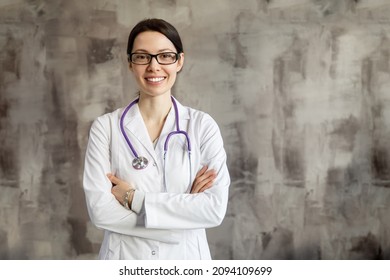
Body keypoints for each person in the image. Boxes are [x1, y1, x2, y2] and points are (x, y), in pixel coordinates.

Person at [83, 18, 230, 260]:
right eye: (142, 56)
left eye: (165, 56)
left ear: (179, 61)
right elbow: (101, 212)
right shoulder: (106, 128)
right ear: (130, 63)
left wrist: (133, 199)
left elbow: (213, 210)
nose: (154, 66)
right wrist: (180, 218)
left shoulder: (202, 127)